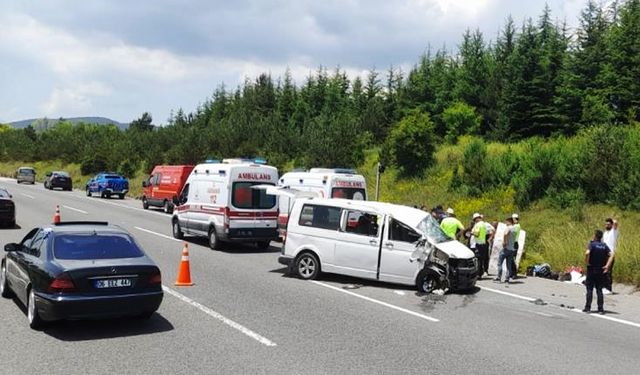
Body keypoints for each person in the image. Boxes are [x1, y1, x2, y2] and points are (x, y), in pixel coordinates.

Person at [583, 229, 614, 314]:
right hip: (601, 270)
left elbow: (587, 253)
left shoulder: (592, 244)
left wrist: (587, 261)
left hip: (591, 269)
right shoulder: (604, 245)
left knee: (589, 289)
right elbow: (612, 255)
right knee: (599, 289)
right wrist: (607, 265)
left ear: (595, 236)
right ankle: (600, 309)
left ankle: (587, 308)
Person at [494, 217, 517, 283]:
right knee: (508, 265)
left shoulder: (508, 228)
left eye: (506, 222)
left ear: (509, 222)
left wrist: (505, 242)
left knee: (499, 263)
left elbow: (506, 234)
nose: (505, 223)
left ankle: (499, 277)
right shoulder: (514, 229)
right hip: (511, 249)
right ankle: (507, 278)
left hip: (506, 248)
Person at [602, 218, 619, 294]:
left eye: (608, 224)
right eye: (606, 224)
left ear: (611, 225)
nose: (607, 225)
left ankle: (609, 289)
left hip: (610, 255)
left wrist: (611, 220)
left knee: (608, 271)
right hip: (603, 254)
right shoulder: (605, 233)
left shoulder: (614, 231)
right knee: (603, 271)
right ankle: (604, 287)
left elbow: (615, 222)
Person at [471, 213, 489, 278]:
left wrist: (472, 233)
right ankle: (481, 273)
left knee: (478, 260)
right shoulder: (484, 224)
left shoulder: (478, 225)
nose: (474, 221)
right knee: (481, 260)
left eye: (474, 220)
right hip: (483, 243)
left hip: (479, 244)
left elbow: (477, 234)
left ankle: (478, 274)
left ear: (476, 218)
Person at [511, 213, 521, 278]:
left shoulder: (516, 226)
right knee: (511, 259)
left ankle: (514, 273)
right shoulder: (516, 226)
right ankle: (512, 273)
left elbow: (512, 234)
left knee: (512, 259)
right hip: (513, 243)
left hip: (514, 243)